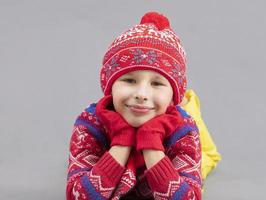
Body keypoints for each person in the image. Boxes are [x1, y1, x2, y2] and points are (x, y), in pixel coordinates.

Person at [66, 11, 220, 200]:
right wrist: (122, 141)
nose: (141, 94)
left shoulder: (184, 129)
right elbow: (77, 196)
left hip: (176, 126)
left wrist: (152, 142)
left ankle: (189, 103)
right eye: (129, 80)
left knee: (206, 158)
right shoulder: (90, 124)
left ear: (173, 94)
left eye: (157, 83)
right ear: (110, 86)